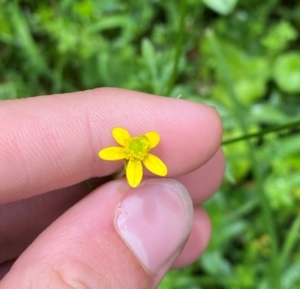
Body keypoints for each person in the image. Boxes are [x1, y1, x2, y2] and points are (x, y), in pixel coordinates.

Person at [0, 88, 225, 288]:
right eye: (138, 144)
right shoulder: (119, 150)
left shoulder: (144, 156)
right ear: (127, 145)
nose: (142, 144)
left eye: (143, 144)